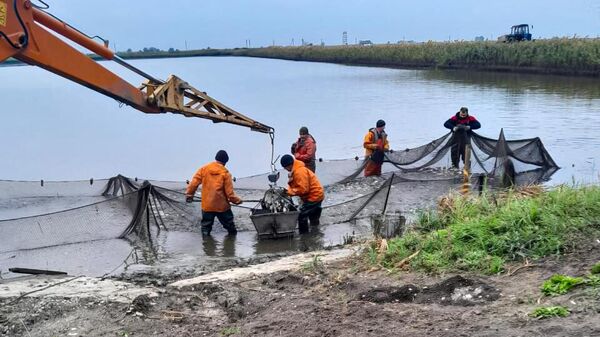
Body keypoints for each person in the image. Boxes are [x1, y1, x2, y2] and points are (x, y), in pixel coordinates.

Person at [185, 150, 242, 236]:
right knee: (231, 228)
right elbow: (230, 195)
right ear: (225, 161)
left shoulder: (204, 169)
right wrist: (238, 201)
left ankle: (207, 246)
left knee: (205, 228)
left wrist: (189, 195)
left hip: (207, 206)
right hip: (222, 207)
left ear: (216, 158)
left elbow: (193, 184)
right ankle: (231, 246)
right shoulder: (226, 173)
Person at [280, 154, 324, 234]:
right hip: (317, 194)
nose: (285, 169)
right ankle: (316, 233)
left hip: (314, 196)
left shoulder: (299, 172)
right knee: (313, 217)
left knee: (301, 215)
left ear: (288, 165)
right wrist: (289, 189)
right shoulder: (295, 170)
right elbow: (295, 185)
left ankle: (304, 236)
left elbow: (304, 190)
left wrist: (289, 192)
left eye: (285, 167)